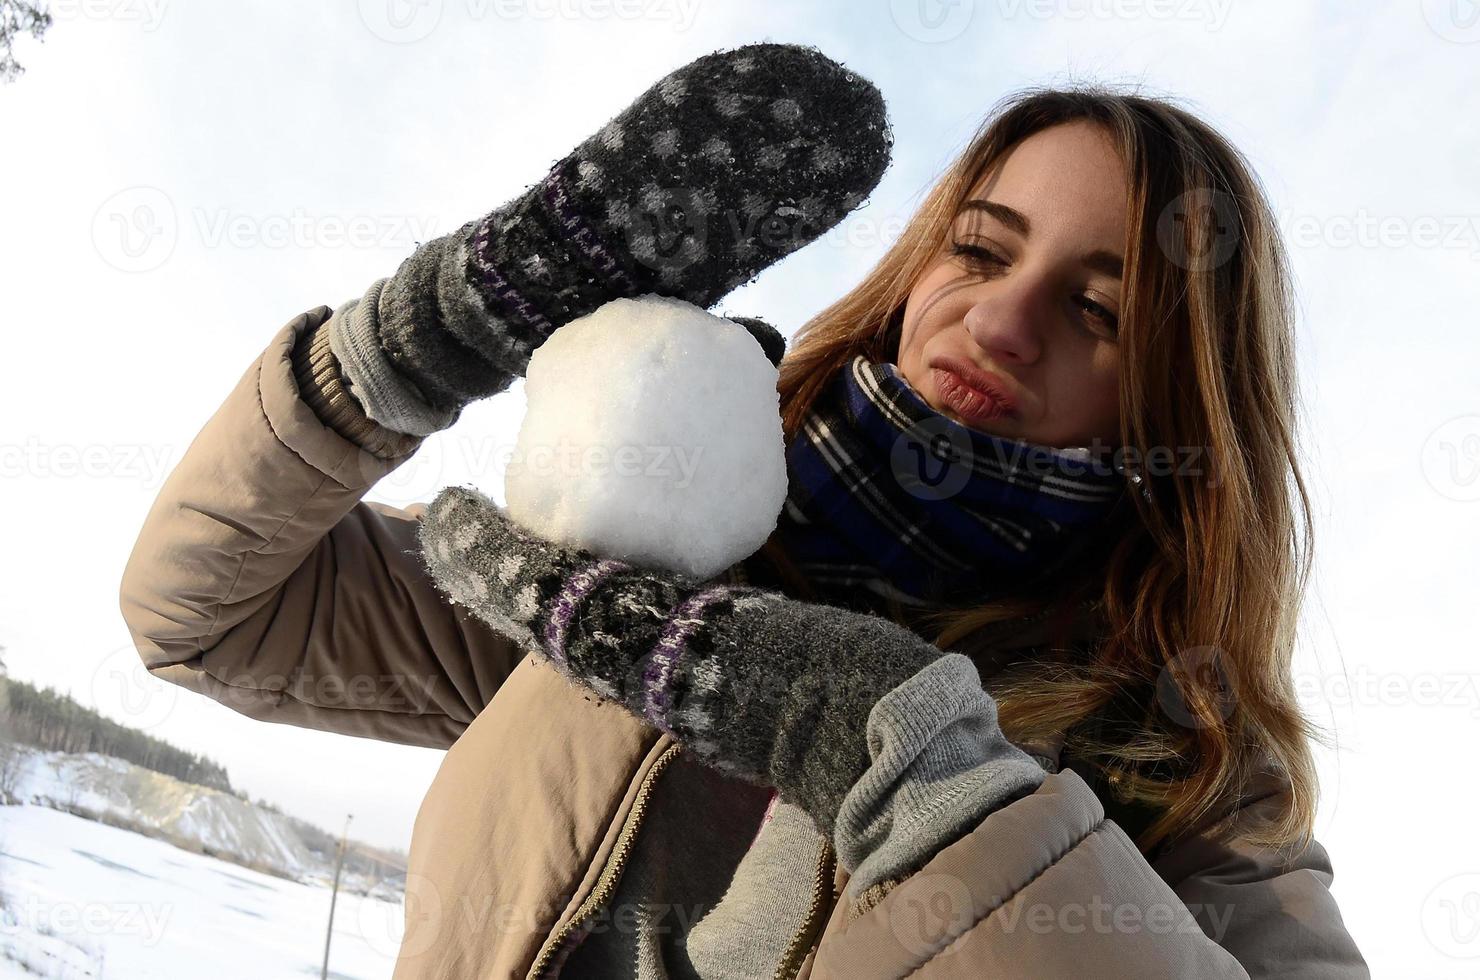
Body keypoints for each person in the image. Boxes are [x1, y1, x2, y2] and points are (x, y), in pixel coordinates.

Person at [118, 41, 1368, 979]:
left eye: (1096, 308)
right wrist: (418, 347)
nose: (998, 318)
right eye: (981, 249)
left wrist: (927, 776)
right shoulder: (640, 581)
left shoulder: (1193, 771)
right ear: (917, 267)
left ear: (1181, 403)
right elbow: (210, 614)